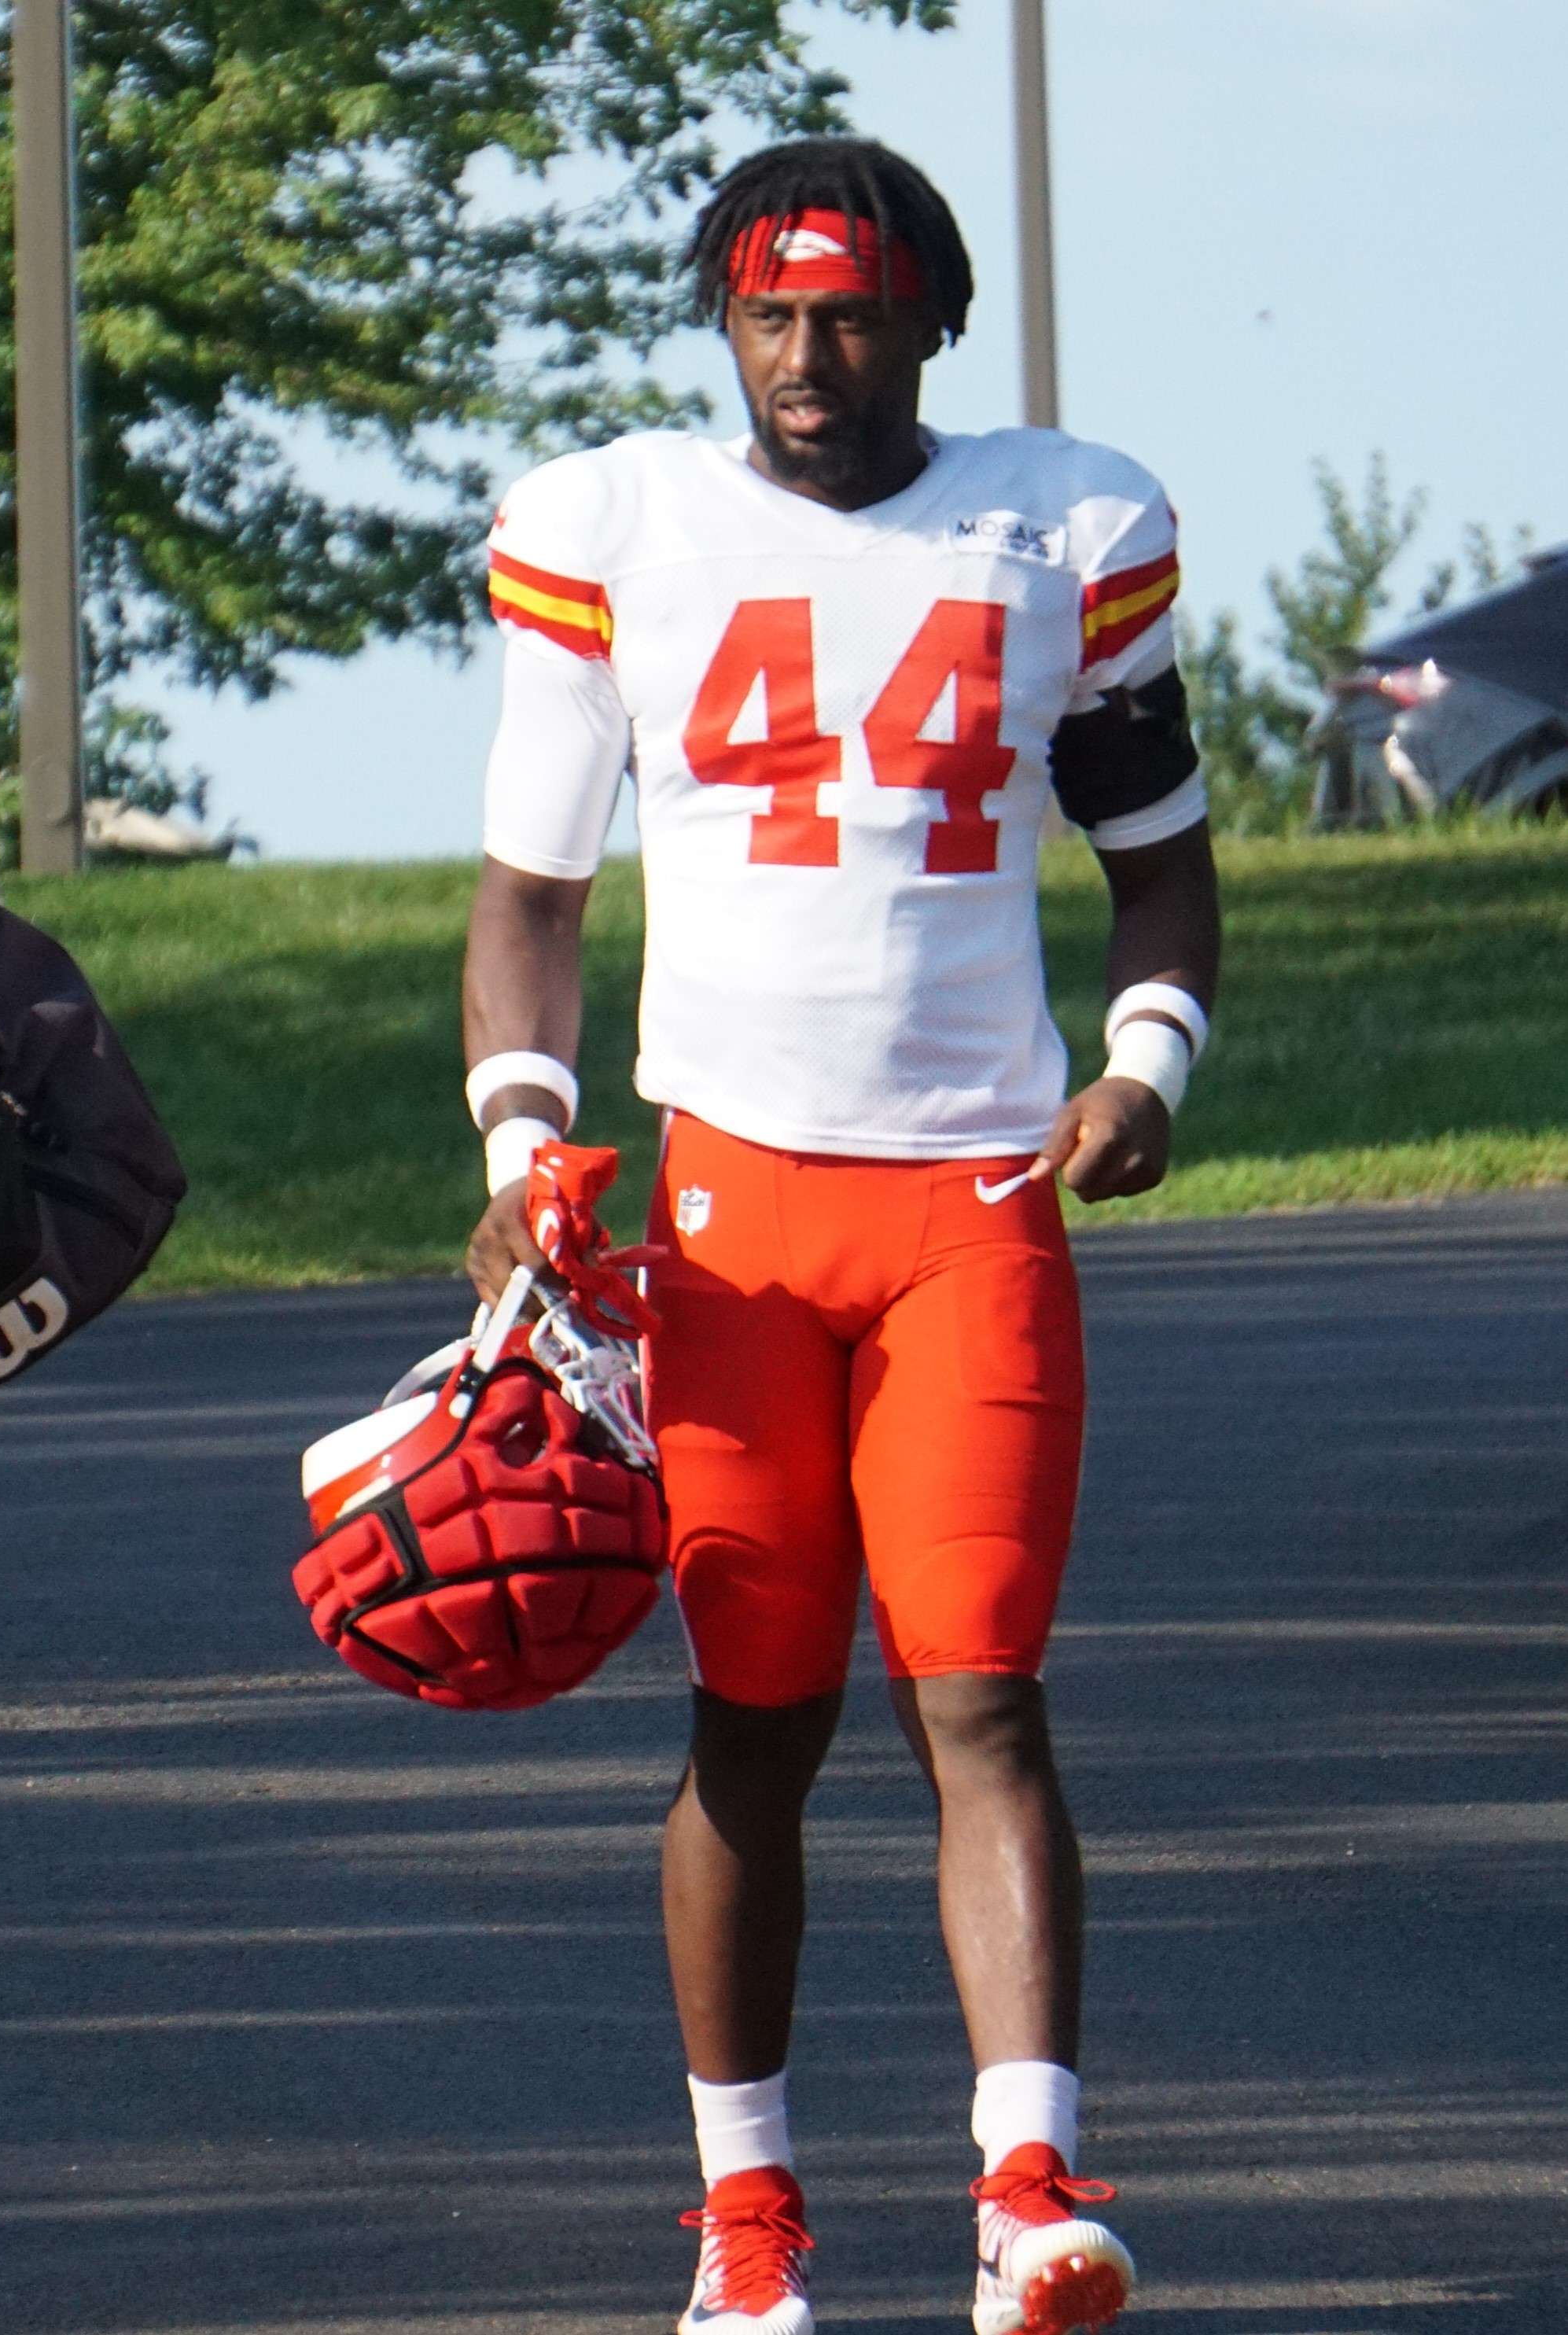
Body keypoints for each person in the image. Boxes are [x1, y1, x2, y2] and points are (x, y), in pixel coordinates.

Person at [462, 138, 1217, 2335]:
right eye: (770, 313)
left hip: (975, 1197)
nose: (809, 354)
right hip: (723, 1219)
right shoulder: (614, 528)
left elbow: (1157, 862)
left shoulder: (1061, 522)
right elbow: (528, 898)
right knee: (754, 1718)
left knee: (979, 1694)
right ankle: (745, 2214)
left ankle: (1025, 2179)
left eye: (853, 313)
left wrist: (1145, 1064)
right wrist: (523, 1141)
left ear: (929, 321)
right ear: (724, 321)